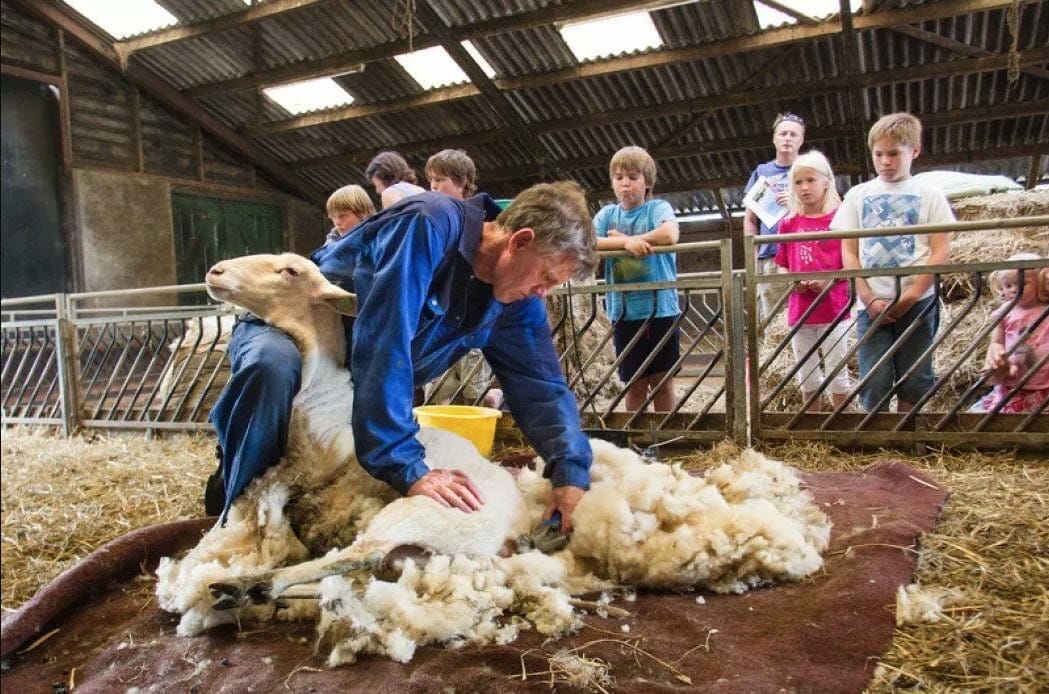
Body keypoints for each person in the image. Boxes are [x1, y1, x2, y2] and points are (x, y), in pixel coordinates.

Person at [209, 182, 597, 533]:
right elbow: (385, 337)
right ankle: (239, 518)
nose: (544, 292)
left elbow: (541, 387)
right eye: (546, 276)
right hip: (300, 330)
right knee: (271, 368)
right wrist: (408, 468)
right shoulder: (428, 225)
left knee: (326, 476)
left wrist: (569, 473)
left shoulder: (514, 300)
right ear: (520, 241)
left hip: (352, 373)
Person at [831, 112, 953, 413]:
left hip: (918, 302)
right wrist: (867, 297)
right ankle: (879, 438)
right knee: (874, 377)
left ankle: (907, 433)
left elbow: (940, 250)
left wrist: (911, 295)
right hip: (872, 303)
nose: (886, 161)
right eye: (879, 154)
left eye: (894, 153)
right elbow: (849, 252)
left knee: (915, 374)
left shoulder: (930, 195)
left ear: (915, 151)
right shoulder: (858, 195)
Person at [594, 145, 680, 412]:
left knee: (662, 380)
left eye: (633, 177)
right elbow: (587, 242)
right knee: (634, 381)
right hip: (625, 312)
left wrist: (630, 240)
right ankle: (636, 442)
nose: (625, 184)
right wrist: (626, 244)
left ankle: (665, 441)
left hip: (661, 309)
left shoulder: (657, 208)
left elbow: (669, 234)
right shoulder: (608, 214)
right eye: (619, 178)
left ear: (647, 182)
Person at [423, 148, 502, 409]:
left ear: (461, 182)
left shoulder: (478, 219)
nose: (433, 187)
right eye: (430, 181)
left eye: (440, 180)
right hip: (440, 322)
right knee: (436, 393)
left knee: (476, 393)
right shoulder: (434, 222)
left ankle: (495, 400)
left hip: (469, 321)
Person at [774, 151, 850, 412]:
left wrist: (829, 280)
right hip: (801, 308)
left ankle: (842, 425)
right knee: (806, 372)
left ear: (826, 182)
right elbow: (782, 263)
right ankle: (811, 427)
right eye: (798, 182)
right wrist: (792, 280)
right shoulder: (789, 223)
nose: (805, 187)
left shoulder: (839, 220)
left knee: (837, 369)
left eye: (811, 180)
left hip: (834, 307)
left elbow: (850, 260)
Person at [744, 112, 806, 321]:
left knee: (806, 316)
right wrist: (752, 255)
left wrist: (795, 203)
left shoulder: (808, 170)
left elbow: (829, 208)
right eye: (783, 133)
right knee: (772, 321)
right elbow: (751, 219)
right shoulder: (762, 172)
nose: (787, 138)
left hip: (803, 252)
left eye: (793, 134)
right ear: (774, 138)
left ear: (801, 140)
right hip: (769, 254)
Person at [978, 254, 1049, 413]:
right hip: (1015, 383)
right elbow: (996, 342)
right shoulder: (1004, 313)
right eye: (1008, 285)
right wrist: (997, 357)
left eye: (1022, 283)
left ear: (1042, 282)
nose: (1014, 289)